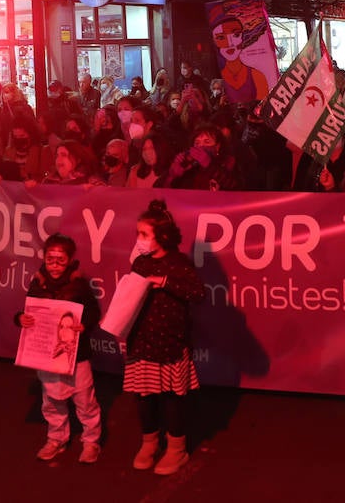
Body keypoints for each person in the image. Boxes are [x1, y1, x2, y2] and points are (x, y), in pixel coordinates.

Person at [125, 199, 207, 475]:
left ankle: (176, 449)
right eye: (138, 234)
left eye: (144, 234)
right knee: (144, 397)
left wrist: (165, 282)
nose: (139, 240)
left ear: (162, 236)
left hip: (171, 344)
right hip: (142, 342)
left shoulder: (178, 263)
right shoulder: (140, 264)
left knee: (172, 399)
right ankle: (149, 443)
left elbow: (198, 293)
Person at [16, 234, 102, 464]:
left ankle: (91, 440)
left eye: (60, 260)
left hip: (78, 355)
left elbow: (94, 312)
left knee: (84, 399)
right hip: (48, 355)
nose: (54, 266)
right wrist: (20, 318)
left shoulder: (79, 285)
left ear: (70, 260)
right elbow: (28, 311)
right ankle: (56, 438)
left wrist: (85, 325)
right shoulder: (38, 283)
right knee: (52, 399)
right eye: (50, 260)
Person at [165, 123, 240, 191]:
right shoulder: (190, 165)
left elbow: (236, 187)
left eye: (207, 142)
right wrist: (172, 175)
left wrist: (209, 165)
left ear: (217, 146)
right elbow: (170, 194)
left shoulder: (228, 161)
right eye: (197, 143)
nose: (201, 146)